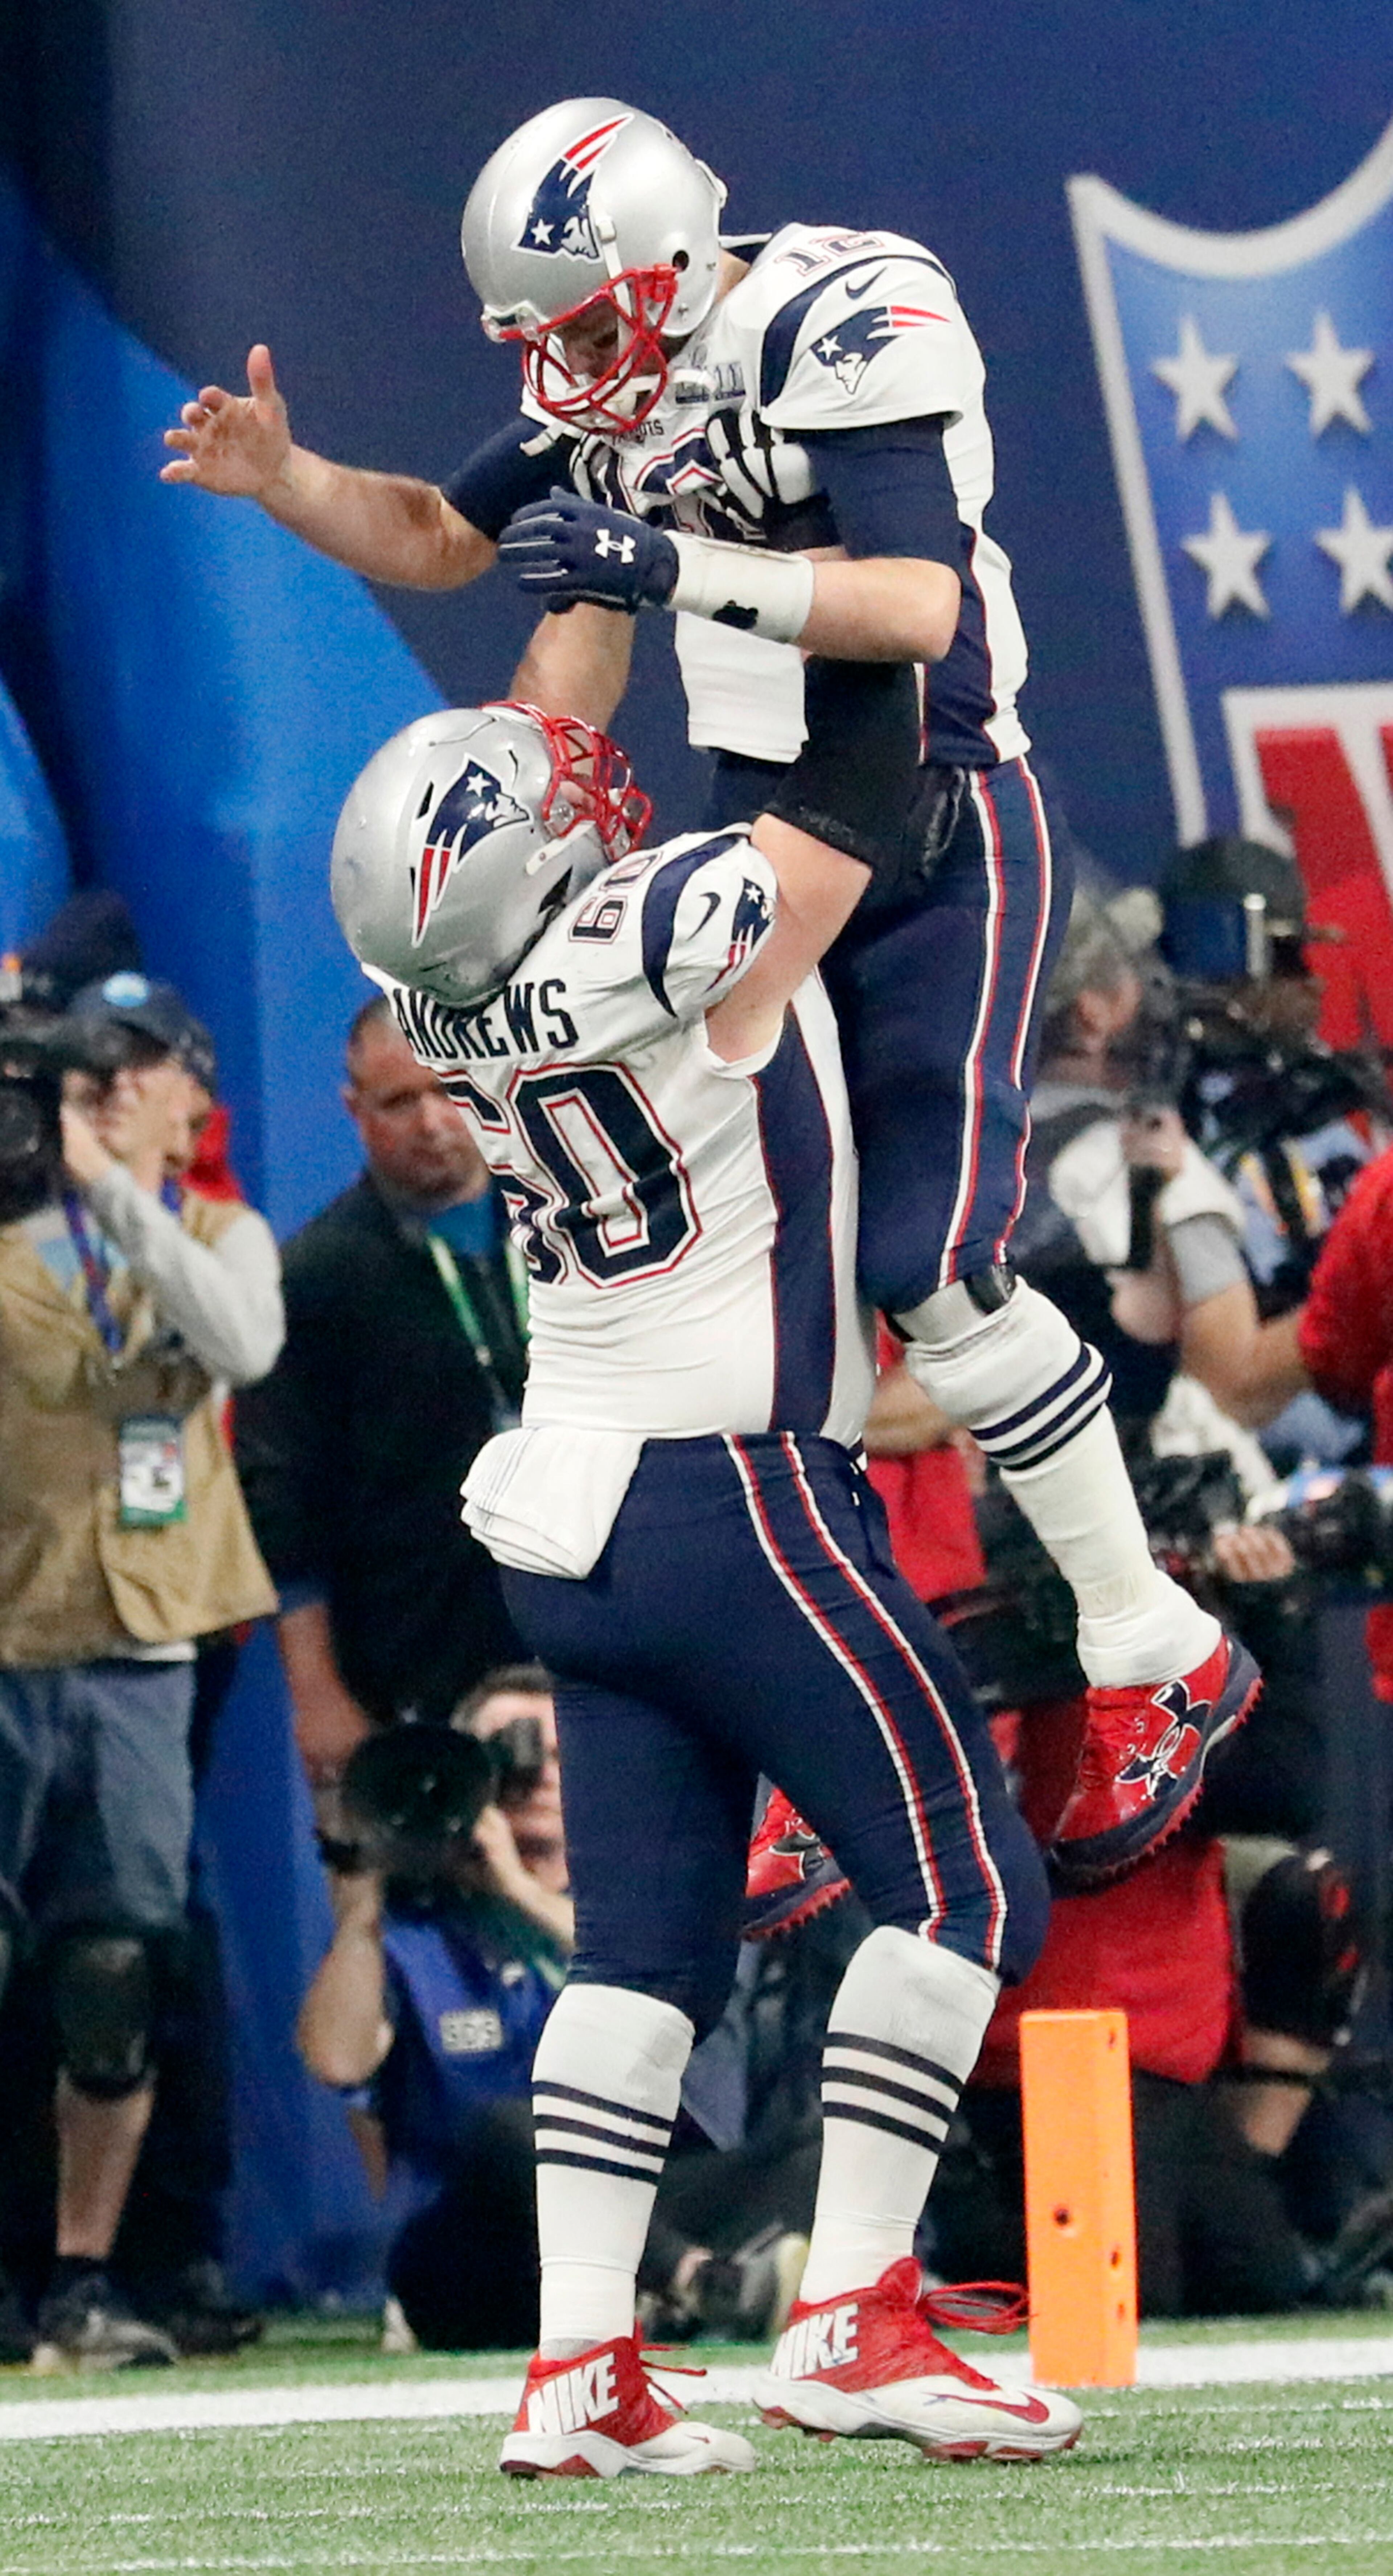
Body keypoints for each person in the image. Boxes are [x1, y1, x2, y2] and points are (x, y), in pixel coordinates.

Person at [161, 96, 1253, 1887]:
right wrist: (291, 483)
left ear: (671, 256)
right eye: (541, 341)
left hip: (933, 815)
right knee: (767, 1328)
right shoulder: (619, 384)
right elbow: (449, 534)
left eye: (587, 327)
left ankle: (1157, 1648)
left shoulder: (844, 308)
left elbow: (914, 607)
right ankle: (811, 1738)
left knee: (935, 1270)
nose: (570, 370)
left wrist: (665, 562)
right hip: (763, 835)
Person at [328, 669, 1080, 2475]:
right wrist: (770, 576)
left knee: (645, 1954)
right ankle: (852, 2316)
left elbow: (529, 778)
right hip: (733, 1490)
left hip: (579, 1514)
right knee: (975, 1888)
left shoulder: (447, 981)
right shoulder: (662, 925)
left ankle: (578, 2366)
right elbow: (868, 769)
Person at [0, 972, 280, 2367]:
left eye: (136, 1063)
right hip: (7, 1634)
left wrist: (110, 1190)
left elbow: (243, 1344)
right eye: (85, 1067)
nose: (108, 1084)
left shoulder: (222, 1232)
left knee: (116, 1961)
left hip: (139, 1647)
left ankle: (84, 2275)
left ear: (193, 1088)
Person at [234, 999, 527, 1787]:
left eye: (449, 1091)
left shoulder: (563, 1232)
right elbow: (283, 1498)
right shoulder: (315, 1276)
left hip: (580, 1636)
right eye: (401, 1101)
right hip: (410, 1652)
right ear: (353, 1109)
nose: (433, 1121)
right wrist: (316, 1690)